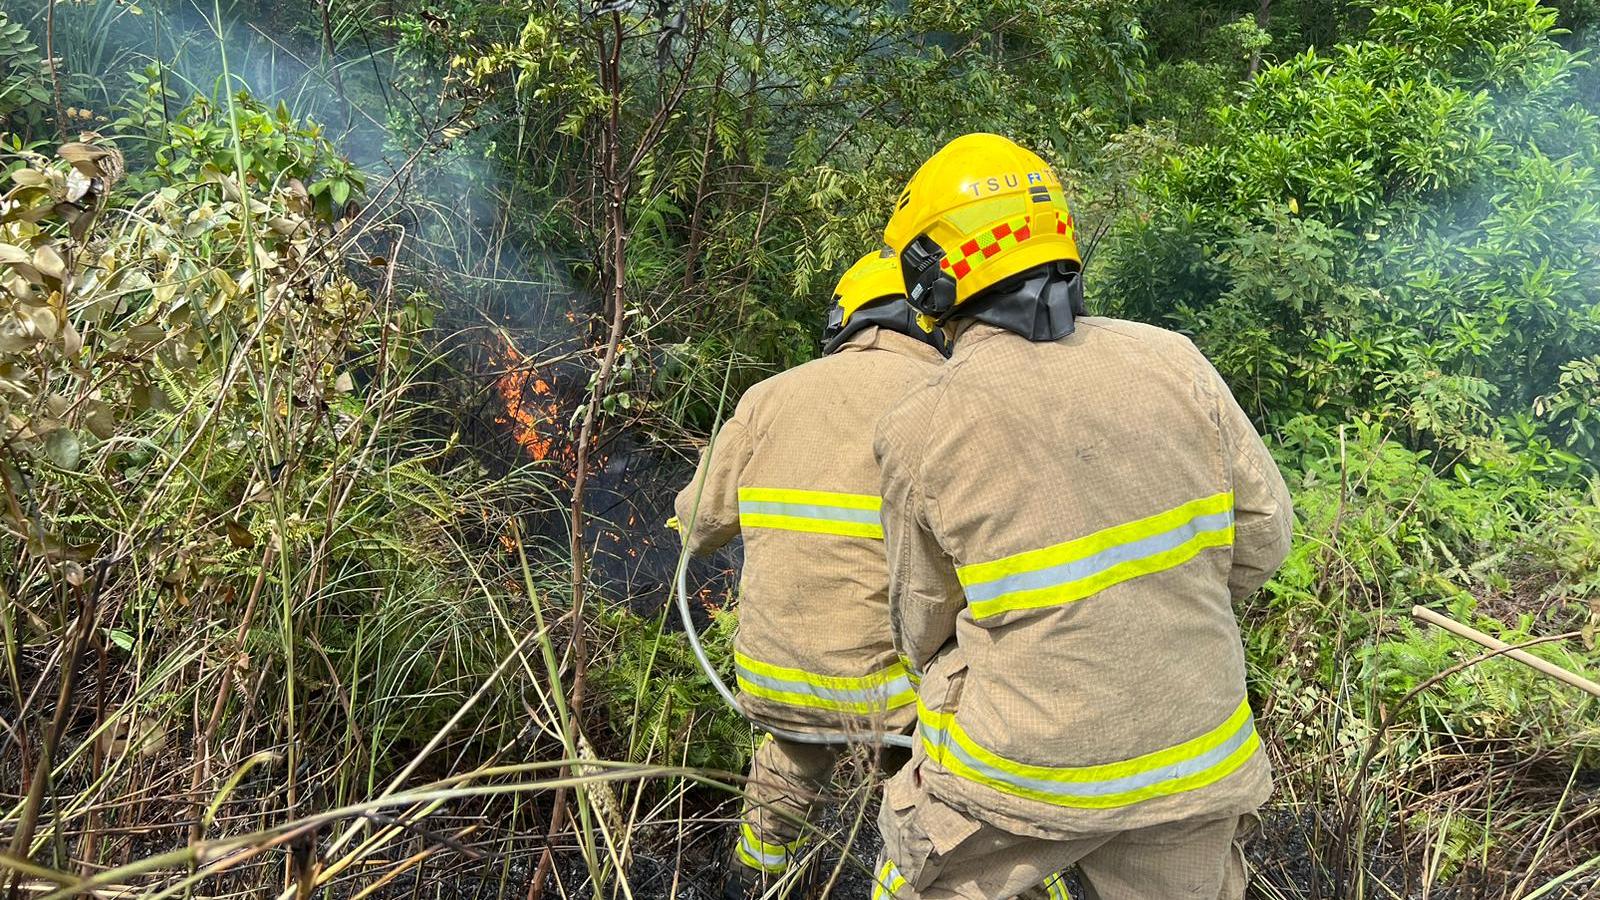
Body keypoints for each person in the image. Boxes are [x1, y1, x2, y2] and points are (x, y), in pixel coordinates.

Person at [868, 133, 1294, 900]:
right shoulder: (1174, 359)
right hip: (1196, 755)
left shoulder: (922, 423)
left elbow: (921, 622)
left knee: (907, 876)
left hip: (1020, 775)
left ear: (930, 277)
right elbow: (1265, 538)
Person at [672, 248, 946, 899]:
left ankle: (756, 877)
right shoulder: (949, 400)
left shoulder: (769, 397)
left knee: (790, 762)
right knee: (936, 793)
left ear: (844, 319)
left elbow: (697, 523)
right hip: (898, 697)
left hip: (777, 679)